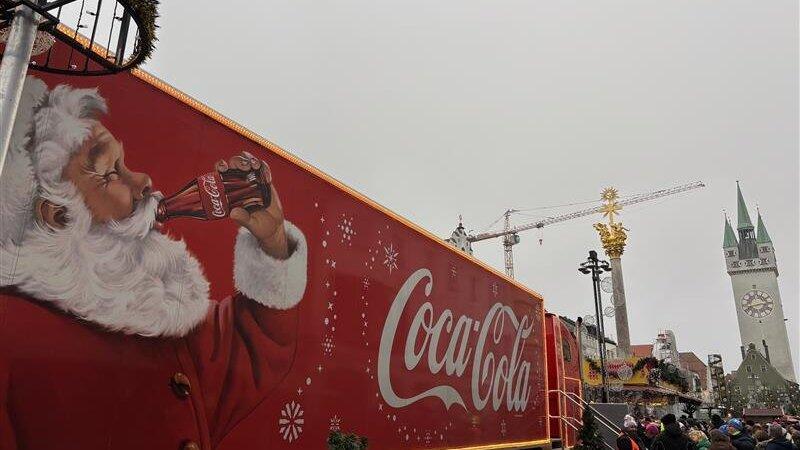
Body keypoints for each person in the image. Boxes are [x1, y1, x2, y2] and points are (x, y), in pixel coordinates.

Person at [0, 78, 309, 448]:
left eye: (124, 162)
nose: (144, 180)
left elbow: (251, 346)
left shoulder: (153, 310)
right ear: (59, 215)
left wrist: (273, 240)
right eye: (112, 172)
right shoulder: (15, 336)